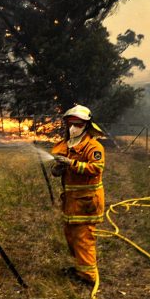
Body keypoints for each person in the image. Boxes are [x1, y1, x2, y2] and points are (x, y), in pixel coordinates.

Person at [50, 104, 105, 285]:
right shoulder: (66, 145)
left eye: (78, 124)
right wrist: (58, 168)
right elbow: (57, 170)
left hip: (87, 203)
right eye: (71, 124)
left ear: (87, 126)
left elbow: (96, 168)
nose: (74, 128)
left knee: (83, 238)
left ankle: (88, 277)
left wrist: (71, 163)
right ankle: (81, 268)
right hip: (71, 202)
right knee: (71, 236)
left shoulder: (93, 147)